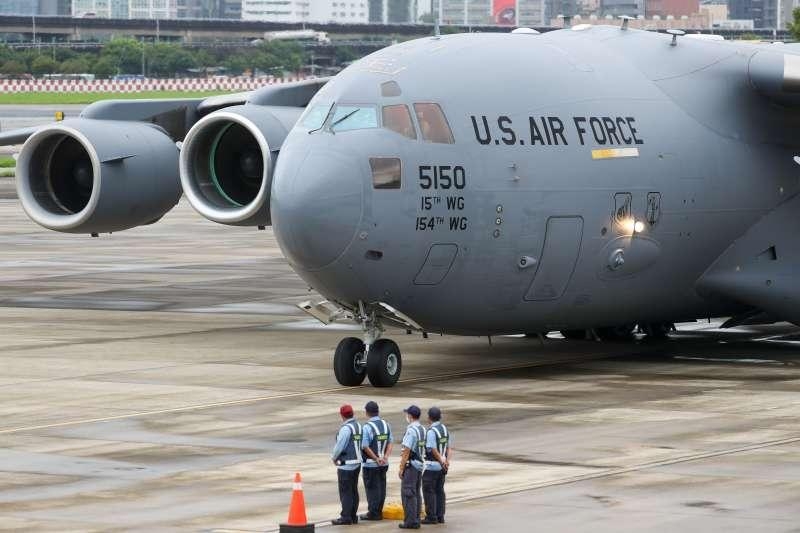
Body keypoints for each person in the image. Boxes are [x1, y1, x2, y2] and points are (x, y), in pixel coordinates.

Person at [360, 400, 393, 521]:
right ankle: (378, 510)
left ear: (367, 413)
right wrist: (385, 457)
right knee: (381, 487)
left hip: (371, 464)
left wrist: (376, 458)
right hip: (384, 463)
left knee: (372, 488)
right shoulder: (386, 424)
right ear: (378, 411)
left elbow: (364, 446)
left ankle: (373, 513)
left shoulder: (367, 427)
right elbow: (390, 442)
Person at [331, 404, 363, 526]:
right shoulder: (358, 426)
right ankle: (353, 516)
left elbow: (340, 446)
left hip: (346, 465)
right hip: (357, 463)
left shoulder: (346, 429)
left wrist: (334, 457)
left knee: (346, 492)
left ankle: (346, 517)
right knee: (354, 490)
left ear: (342, 415)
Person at [421, 406, 452, 524]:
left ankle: (431, 516)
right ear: (440, 417)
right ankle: (440, 515)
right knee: (439, 490)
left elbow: (432, 449)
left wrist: (441, 460)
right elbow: (449, 448)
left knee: (429, 491)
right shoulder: (444, 429)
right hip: (442, 467)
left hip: (432, 466)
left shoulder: (431, 432)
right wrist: (446, 461)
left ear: (429, 418)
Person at [398, 404, 426, 529]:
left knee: (408, 493)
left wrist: (401, 467)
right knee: (416, 493)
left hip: (411, 465)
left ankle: (410, 521)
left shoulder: (411, 430)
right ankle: (416, 518)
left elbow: (406, 451)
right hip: (420, 464)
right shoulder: (422, 429)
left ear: (410, 416)